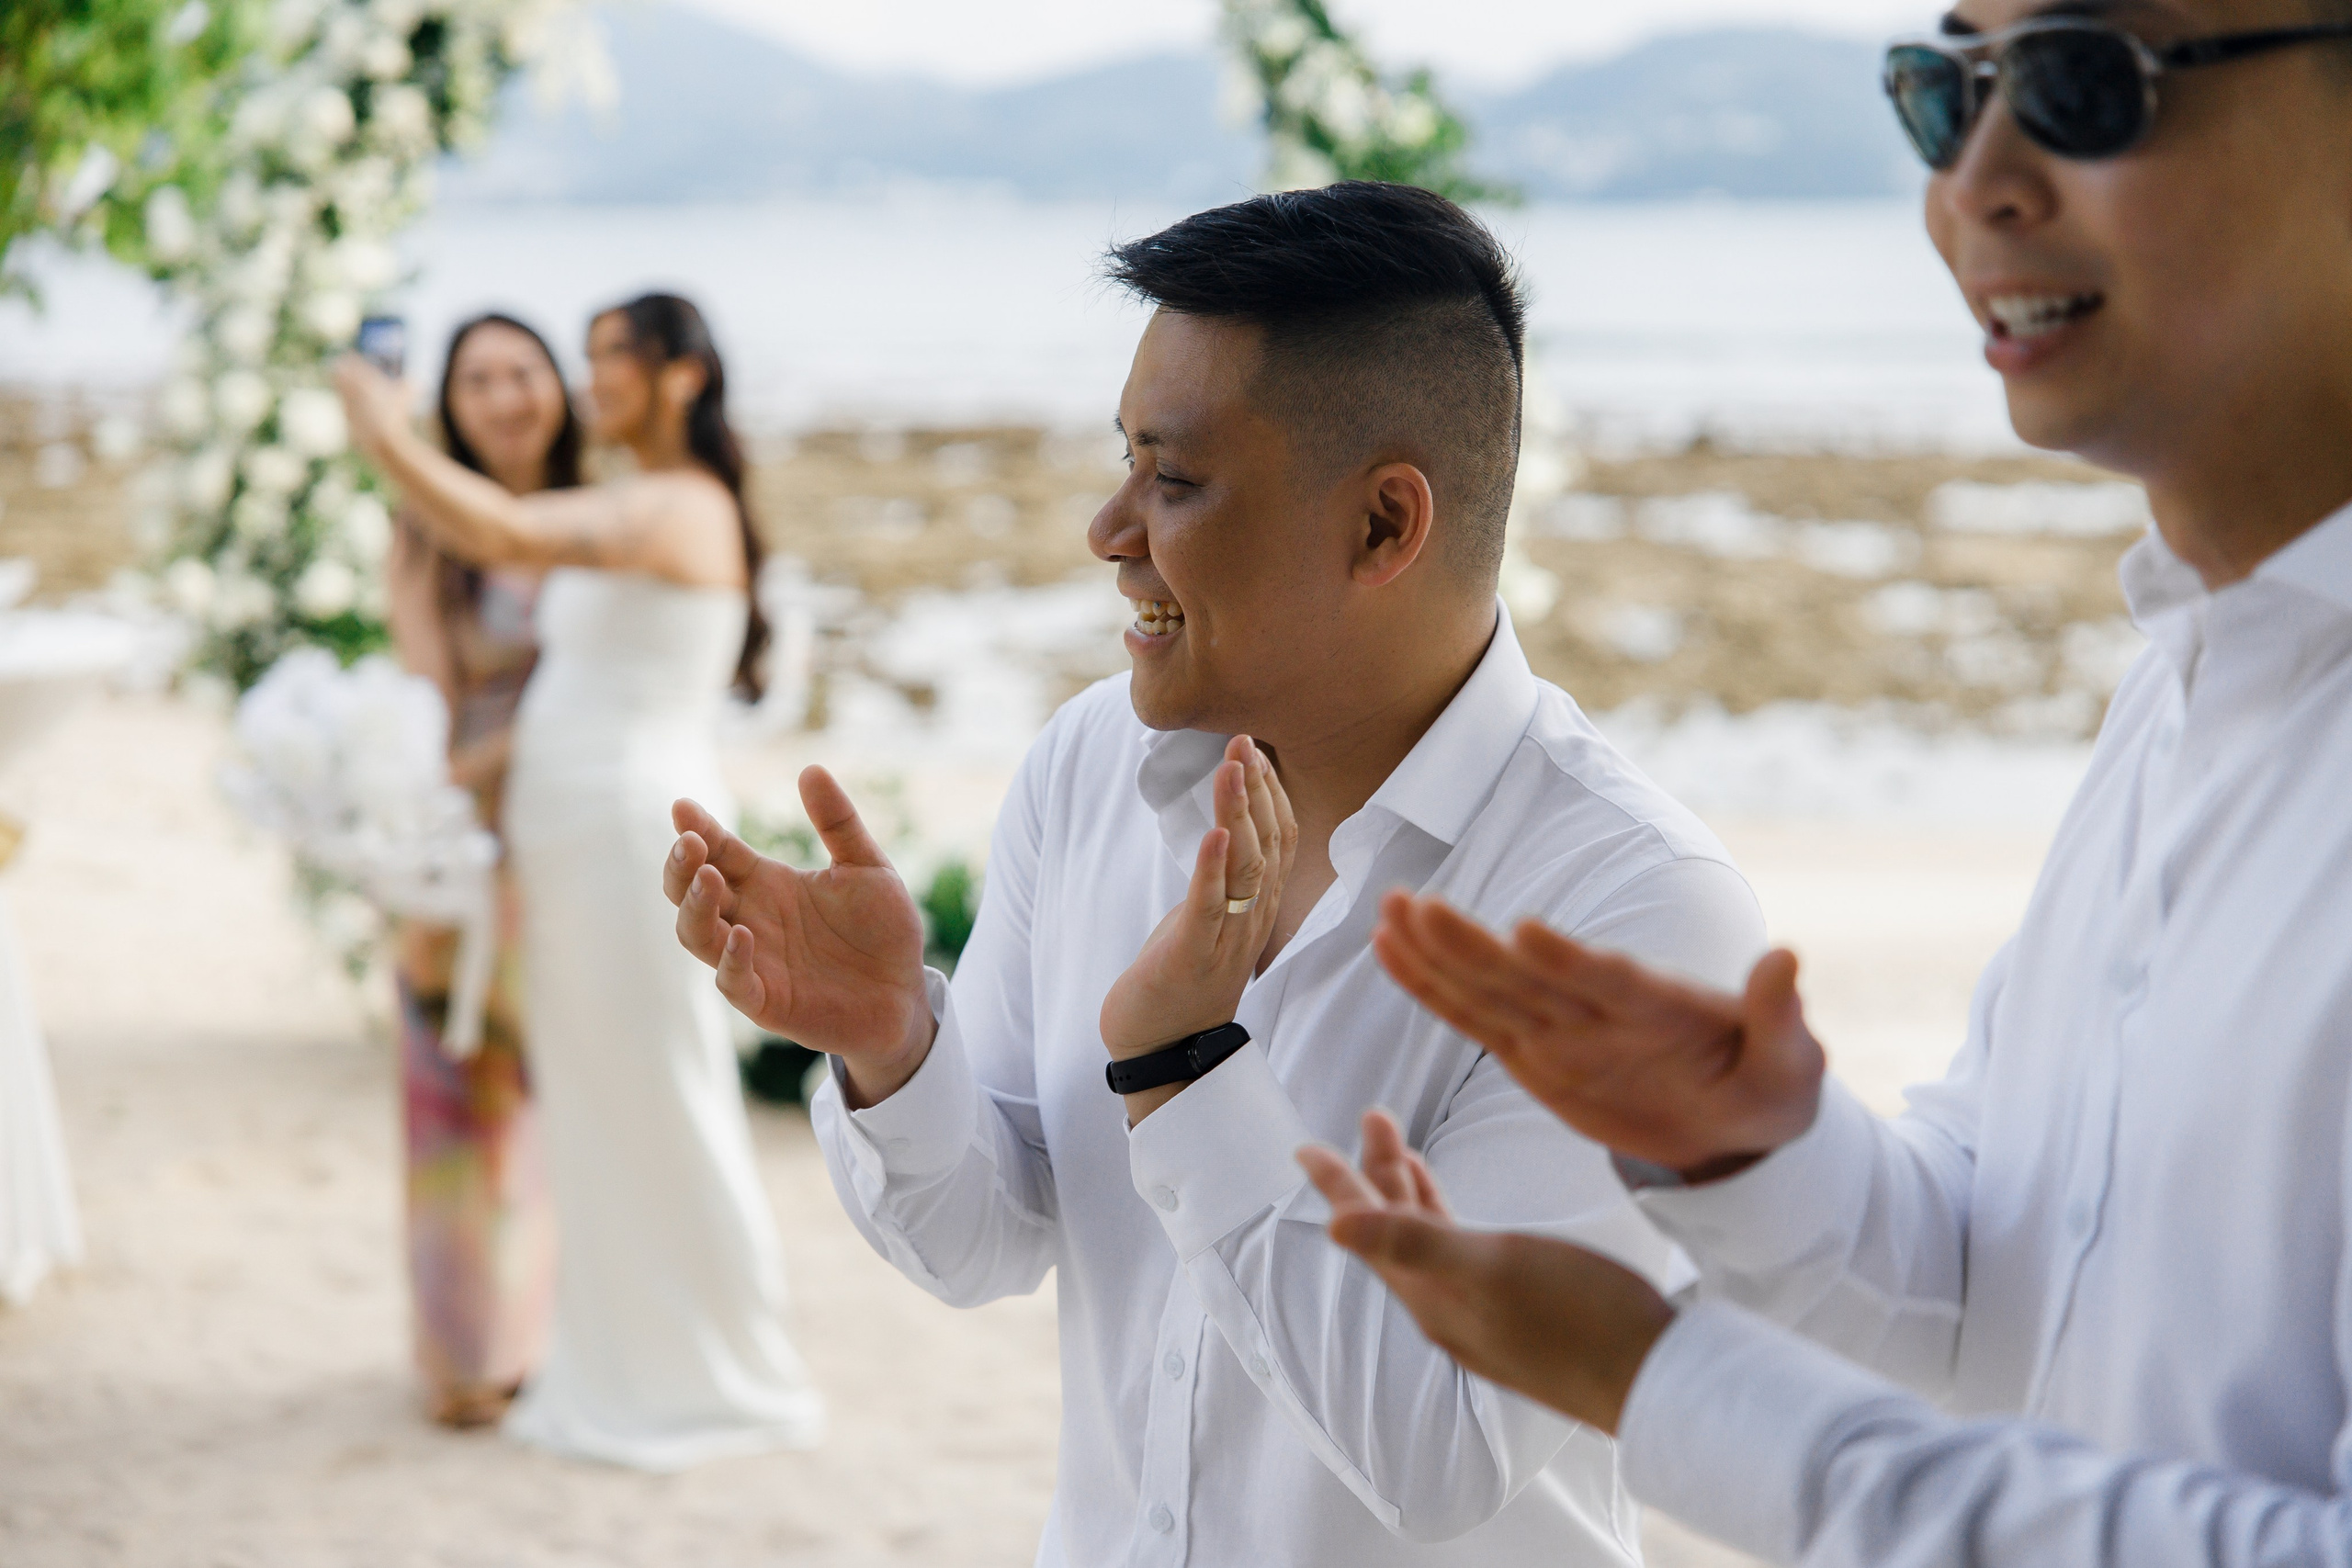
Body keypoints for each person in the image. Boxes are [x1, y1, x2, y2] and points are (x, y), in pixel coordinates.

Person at [1302, 3, 2352, 1564]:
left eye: (2081, 82)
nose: (1976, 181)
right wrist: (1749, 1154)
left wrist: (1659, 1384)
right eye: (1944, 94)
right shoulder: (2193, 679)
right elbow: (2002, 1297)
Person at [662, 182, 1767, 1564]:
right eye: (1123, 459)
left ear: (1383, 525)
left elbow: (1439, 1444)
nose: (1108, 529)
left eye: (1172, 478)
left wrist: (1187, 1065)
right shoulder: (1087, 769)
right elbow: (984, 1242)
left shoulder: (1638, 911)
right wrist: (892, 1044)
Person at [337, 292, 823, 1470]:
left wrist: (382, 434)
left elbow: (500, 535)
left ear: (682, 378)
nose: (590, 378)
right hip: (568, 843)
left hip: (621, 841)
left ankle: (722, 1372)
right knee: (600, 1118)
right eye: (593, 353)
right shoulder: (633, 499)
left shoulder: (679, 504)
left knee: (665, 1098)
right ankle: (616, 1361)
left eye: (614, 358)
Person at [383, 311, 571, 1428]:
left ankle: (560, 1335)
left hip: (578, 837)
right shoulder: (430, 531)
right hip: (460, 838)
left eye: (522, 371)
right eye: (478, 380)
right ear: (448, 408)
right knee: (456, 1096)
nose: (504, 396)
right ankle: (463, 1355)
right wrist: (493, 769)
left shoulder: (599, 508)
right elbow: (426, 698)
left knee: (569, 1100)